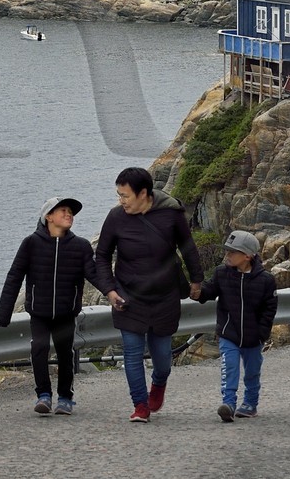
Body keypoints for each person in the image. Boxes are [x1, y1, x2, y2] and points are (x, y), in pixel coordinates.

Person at [92, 167, 204, 422]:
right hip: (129, 297)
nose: (121, 201)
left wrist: (197, 280)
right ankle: (140, 405)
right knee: (132, 353)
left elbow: (188, 247)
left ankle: (159, 383)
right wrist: (109, 290)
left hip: (164, 297)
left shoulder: (171, 214)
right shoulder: (116, 217)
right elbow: (102, 256)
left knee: (162, 358)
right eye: (119, 195)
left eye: (125, 196)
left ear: (143, 193)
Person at [0, 196, 97, 415]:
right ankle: (43, 395)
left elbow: (95, 275)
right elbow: (14, 277)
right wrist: (4, 314)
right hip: (39, 312)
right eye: (62, 210)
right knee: (39, 348)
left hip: (66, 312)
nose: (68, 214)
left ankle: (65, 398)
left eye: (71, 211)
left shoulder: (80, 246)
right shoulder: (31, 243)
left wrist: (116, 293)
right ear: (48, 217)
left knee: (64, 354)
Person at [198, 229, 279, 422]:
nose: (227, 255)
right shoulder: (221, 274)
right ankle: (229, 404)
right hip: (229, 333)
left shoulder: (266, 280)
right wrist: (195, 292)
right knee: (230, 367)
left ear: (247, 256)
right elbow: (207, 292)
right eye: (227, 251)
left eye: (232, 252)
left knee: (252, 372)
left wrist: (261, 334)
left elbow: (269, 309)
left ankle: (250, 404)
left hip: (254, 337)